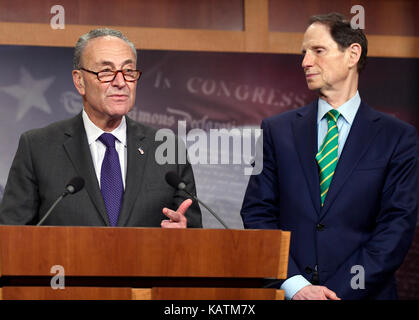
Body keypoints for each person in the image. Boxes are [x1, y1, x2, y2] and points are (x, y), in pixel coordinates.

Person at [241, 13, 418, 300]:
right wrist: (296, 286)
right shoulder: (277, 131)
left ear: (352, 54)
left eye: (318, 51)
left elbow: (396, 227)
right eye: (304, 53)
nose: (305, 62)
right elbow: (257, 213)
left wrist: (338, 292)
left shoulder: (397, 137)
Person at [0, 28, 202, 228]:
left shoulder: (167, 147)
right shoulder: (38, 148)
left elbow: (195, 236)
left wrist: (184, 234)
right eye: (106, 72)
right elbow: (11, 238)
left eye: (129, 71)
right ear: (79, 81)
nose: (121, 82)